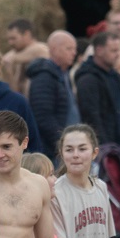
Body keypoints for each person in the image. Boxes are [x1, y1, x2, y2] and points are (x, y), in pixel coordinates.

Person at [75, 32, 120, 153]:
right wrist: (105, 148)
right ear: (99, 50)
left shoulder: (116, 77)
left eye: (118, 50)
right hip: (108, 151)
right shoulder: (88, 80)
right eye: (113, 51)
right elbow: (91, 117)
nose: (118, 55)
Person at [27, 32, 80, 160]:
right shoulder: (44, 77)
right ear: (54, 49)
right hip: (53, 150)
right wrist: (61, 143)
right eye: (69, 49)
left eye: (75, 49)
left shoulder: (64, 75)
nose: (74, 53)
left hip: (70, 146)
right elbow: (43, 116)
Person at [1, 19, 49, 95]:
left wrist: (9, 58)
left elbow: (37, 51)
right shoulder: (18, 57)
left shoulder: (41, 49)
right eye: (9, 39)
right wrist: (9, 73)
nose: (10, 43)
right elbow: (15, 92)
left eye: (13, 38)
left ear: (27, 34)